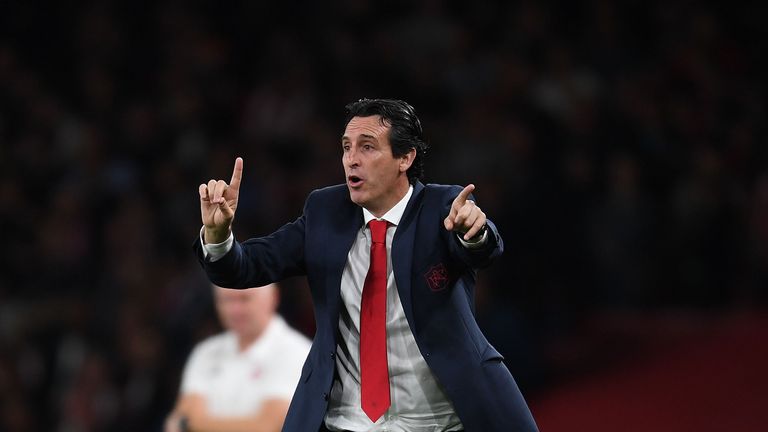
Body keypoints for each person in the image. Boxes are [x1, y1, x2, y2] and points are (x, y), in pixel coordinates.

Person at [194, 99, 538, 431]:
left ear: (405, 157)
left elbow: (483, 250)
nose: (351, 160)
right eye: (346, 147)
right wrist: (218, 233)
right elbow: (244, 267)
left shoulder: (441, 206)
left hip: (440, 422)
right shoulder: (324, 212)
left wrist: (472, 232)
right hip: (346, 423)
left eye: (367, 147)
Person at [165, 283, 311, 432]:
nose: (235, 310)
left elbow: (269, 426)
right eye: (227, 300)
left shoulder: (298, 353)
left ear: (273, 297)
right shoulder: (206, 352)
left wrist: (194, 424)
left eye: (245, 299)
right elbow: (181, 418)